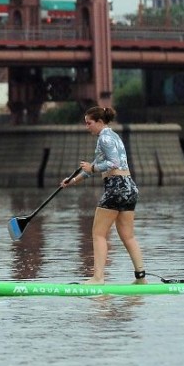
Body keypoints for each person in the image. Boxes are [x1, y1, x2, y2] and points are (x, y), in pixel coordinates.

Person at [61, 105, 146, 284]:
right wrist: (73, 180)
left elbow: (112, 163)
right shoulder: (113, 136)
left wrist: (92, 167)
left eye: (89, 123)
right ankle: (141, 279)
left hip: (115, 187)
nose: (87, 127)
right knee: (128, 236)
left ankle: (98, 278)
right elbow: (96, 165)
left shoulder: (104, 138)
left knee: (98, 234)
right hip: (129, 187)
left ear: (100, 122)